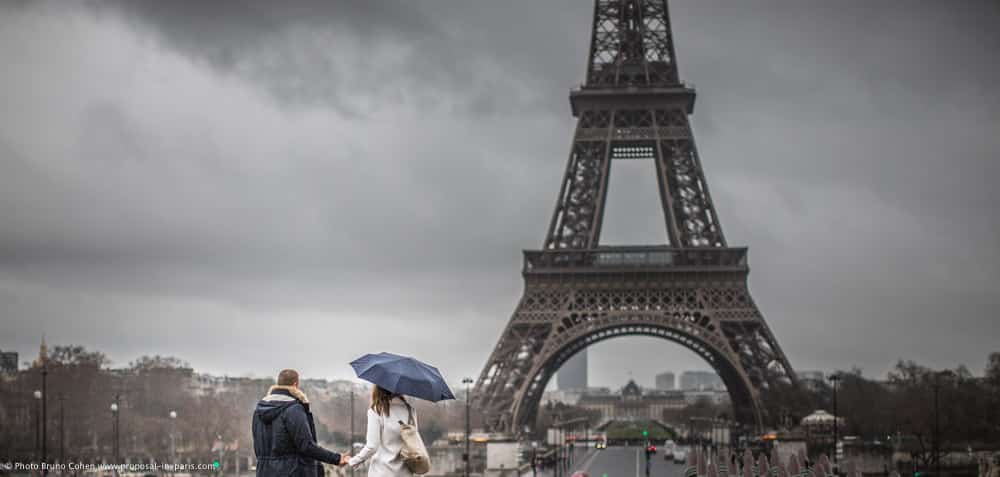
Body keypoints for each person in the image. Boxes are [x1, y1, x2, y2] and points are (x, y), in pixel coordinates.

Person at [252, 369, 349, 477]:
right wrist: (336, 458)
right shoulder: (293, 409)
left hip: (264, 472)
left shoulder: (258, 411)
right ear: (295, 385)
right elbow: (306, 445)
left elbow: (257, 445)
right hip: (292, 472)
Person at [348, 385, 418, 477]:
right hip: (406, 472)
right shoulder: (410, 410)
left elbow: (372, 446)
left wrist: (354, 461)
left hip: (382, 471)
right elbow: (415, 442)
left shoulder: (376, 410)